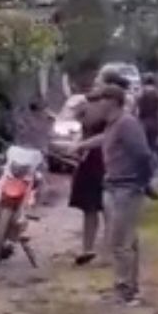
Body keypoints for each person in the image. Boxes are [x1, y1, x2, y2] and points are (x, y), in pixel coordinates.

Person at [83, 83, 155, 305]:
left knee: (120, 242)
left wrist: (142, 183)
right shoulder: (114, 124)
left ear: (112, 101)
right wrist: (80, 146)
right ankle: (128, 288)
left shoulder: (127, 123)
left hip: (126, 188)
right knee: (126, 241)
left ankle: (124, 290)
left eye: (100, 100)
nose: (96, 105)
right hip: (114, 187)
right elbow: (104, 139)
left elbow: (143, 155)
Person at [68, 96, 108, 266]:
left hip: (105, 162)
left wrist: (81, 146)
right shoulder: (92, 107)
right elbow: (84, 134)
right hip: (90, 162)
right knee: (90, 208)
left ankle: (105, 252)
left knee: (106, 209)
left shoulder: (111, 112)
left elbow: (106, 137)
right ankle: (88, 249)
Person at [137, 73, 158, 152]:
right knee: (153, 147)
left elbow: (136, 110)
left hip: (142, 122)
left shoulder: (140, 93)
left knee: (143, 148)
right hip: (154, 122)